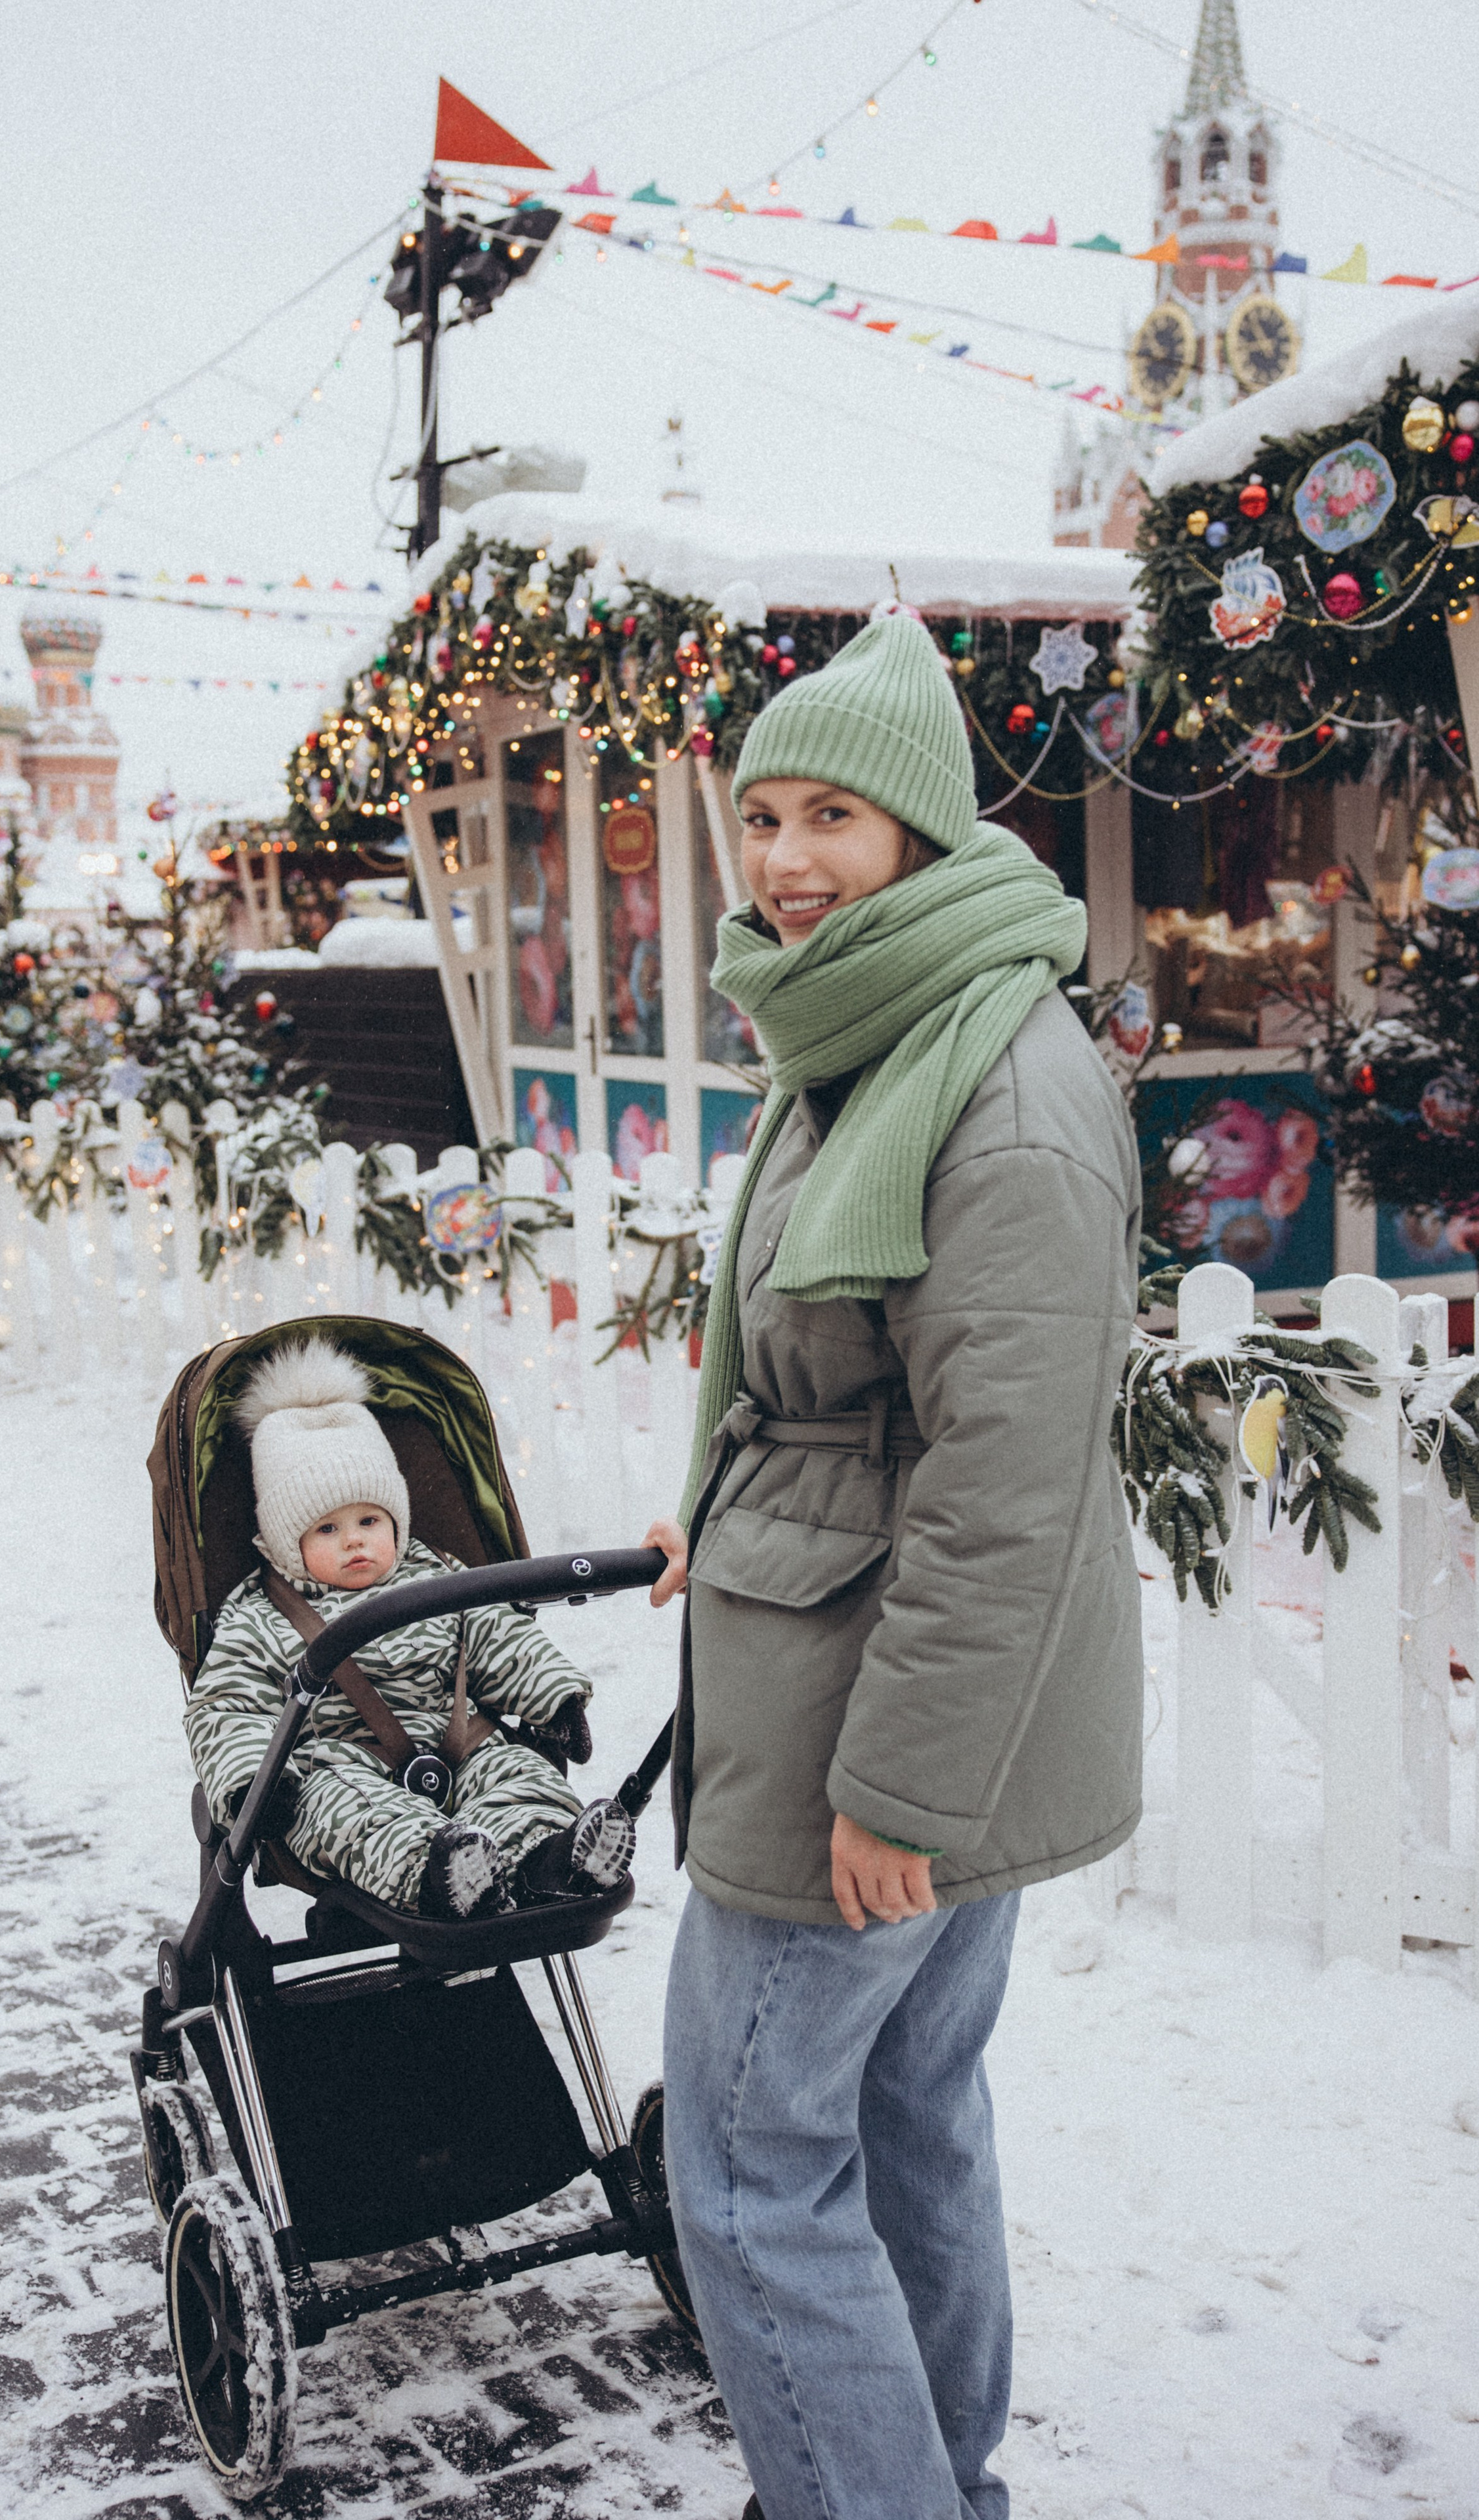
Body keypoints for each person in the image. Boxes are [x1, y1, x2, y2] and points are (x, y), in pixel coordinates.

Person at [642, 611, 1144, 2520]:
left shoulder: (994, 1089)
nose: (782, 858)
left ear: (918, 831)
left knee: (749, 2166)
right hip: (862, 1671)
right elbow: (814, 1374)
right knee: (903, 2111)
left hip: (879, 1724)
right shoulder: (866, 1025)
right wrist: (717, 1498)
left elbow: (1004, 1484)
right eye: (761, 814)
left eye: (829, 817)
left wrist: (899, 1787)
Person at [186, 1338, 635, 1920]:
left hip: (459, 1746)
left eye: (369, 1520)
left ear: (395, 1520)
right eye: (327, 1529)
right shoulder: (259, 1614)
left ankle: (550, 1861)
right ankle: (440, 1875)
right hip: (338, 1765)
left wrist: (556, 1699)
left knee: (521, 1772)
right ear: (284, 1540)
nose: (354, 1540)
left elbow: (498, 1636)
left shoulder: (436, 1576)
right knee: (353, 1813)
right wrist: (255, 1784)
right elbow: (227, 1708)